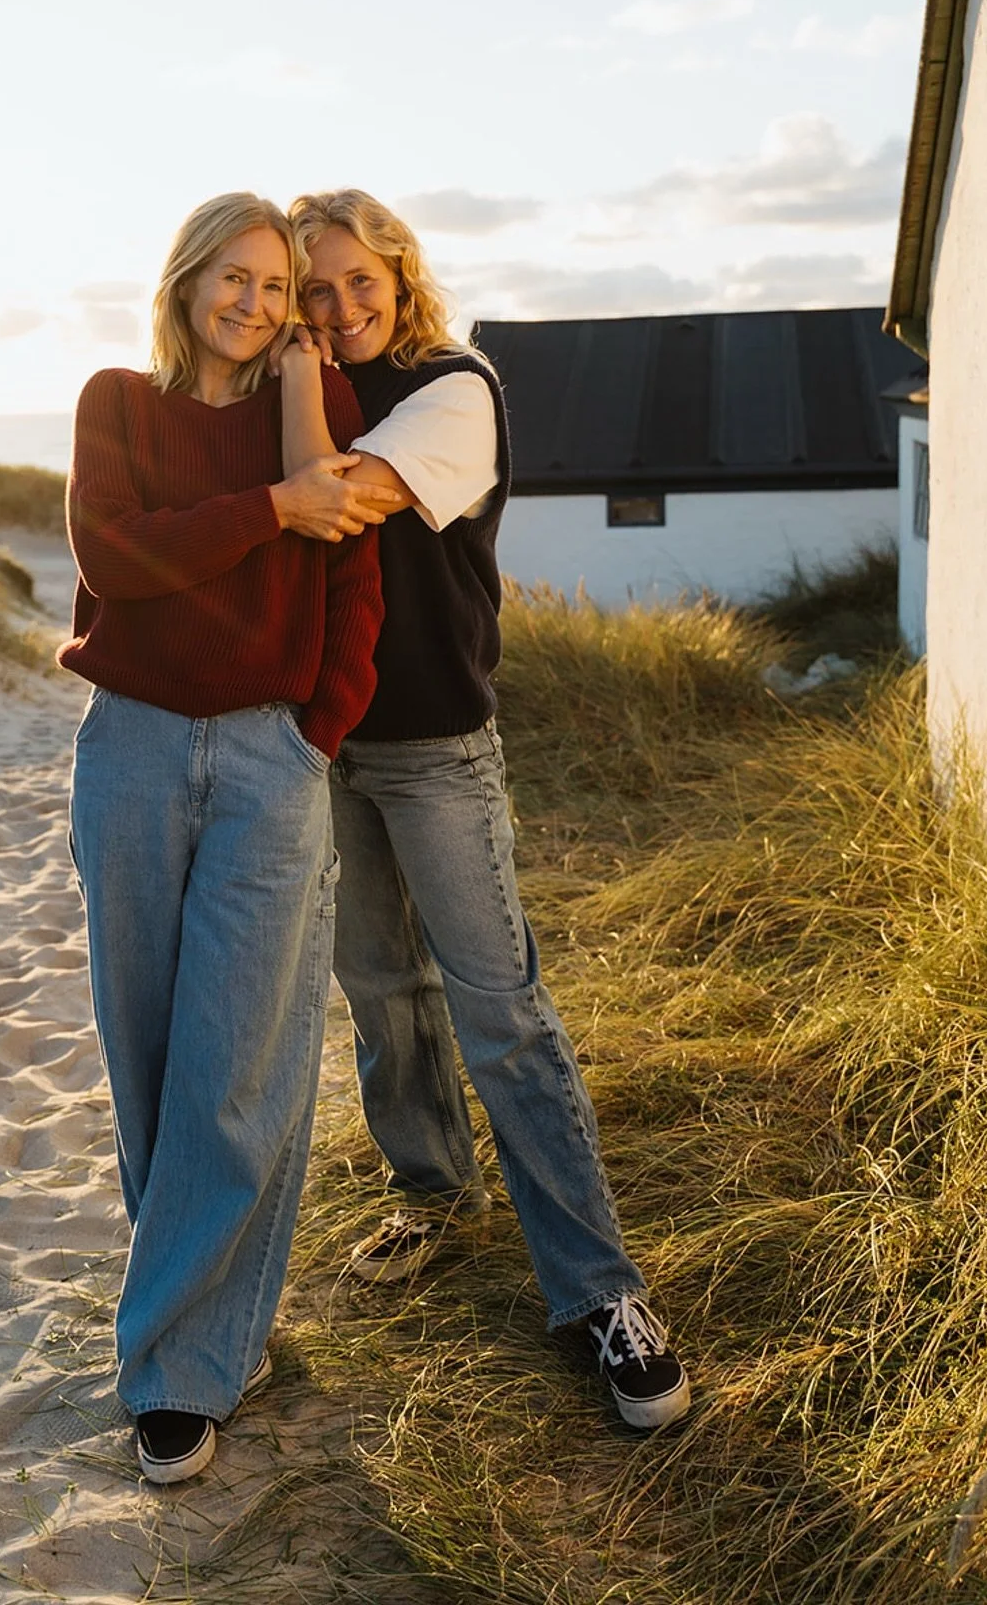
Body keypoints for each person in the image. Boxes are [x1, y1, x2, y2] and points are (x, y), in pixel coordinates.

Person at [278, 188, 691, 1431]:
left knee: (500, 1010)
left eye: (361, 282)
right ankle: (432, 1195)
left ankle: (601, 1293)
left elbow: (333, 497)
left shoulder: (456, 390)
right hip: (321, 741)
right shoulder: (311, 390)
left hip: (435, 748)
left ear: (402, 277)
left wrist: (294, 382)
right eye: (313, 291)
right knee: (379, 992)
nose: (340, 308)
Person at [60, 193, 390, 1483]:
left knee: (240, 1062)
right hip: (133, 747)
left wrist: (321, 729)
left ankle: (180, 1370)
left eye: (277, 286)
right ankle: (206, 1327)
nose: (258, 304)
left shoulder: (315, 420)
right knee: (146, 1053)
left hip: (268, 755)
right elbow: (115, 554)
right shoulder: (115, 406)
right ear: (189, 280)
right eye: (236, 279)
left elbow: (353, 574)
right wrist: (270, 507)